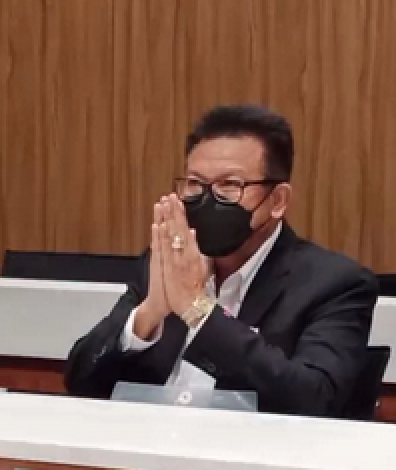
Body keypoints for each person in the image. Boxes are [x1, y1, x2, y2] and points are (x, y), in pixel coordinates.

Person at [64, 105, 377, 417]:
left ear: (277, 200)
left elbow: (314, 400)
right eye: (195, 184)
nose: (208, 200)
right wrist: (149, 313)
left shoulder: (334, 284)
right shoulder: (170, 262)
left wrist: (198, 309)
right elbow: (81, 381)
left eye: (230, 186)